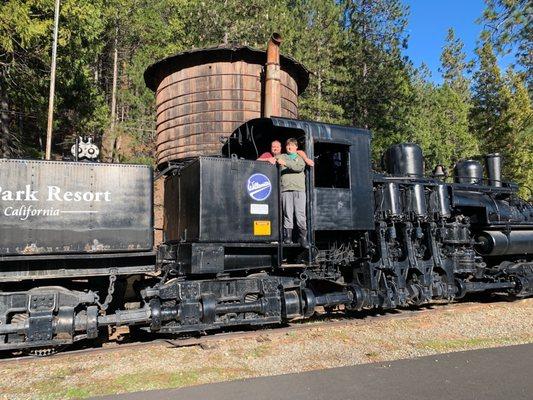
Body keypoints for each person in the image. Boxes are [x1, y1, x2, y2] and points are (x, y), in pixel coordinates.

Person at [276, 138, 311, 248]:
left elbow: (299, 167)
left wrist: (286, 164)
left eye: (291, 145)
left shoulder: (300, 157)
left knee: (300, 214)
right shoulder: (281, 156)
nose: (289, 147)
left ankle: (303, 238)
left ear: (296, 147)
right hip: (285, 190)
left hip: (299, 190)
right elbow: (276, 163)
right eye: (287, 145)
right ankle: (288, 238)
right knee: (287, 214)